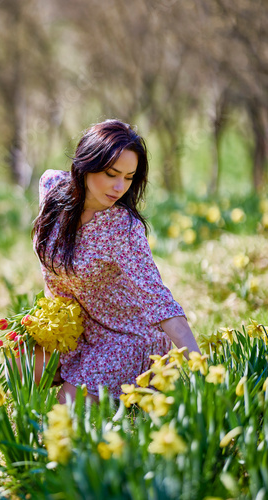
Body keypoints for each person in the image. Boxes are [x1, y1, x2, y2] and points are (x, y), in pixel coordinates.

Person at [31, 119, 200, 404]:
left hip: (125, 336)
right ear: (87, 164)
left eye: (129, 177)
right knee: (24, 372)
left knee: (63, 409)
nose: (120, 186)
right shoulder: (52, 188)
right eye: (111, 174)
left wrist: (198, 364)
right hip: (74, 326)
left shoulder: (123, 228)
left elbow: (159, 300)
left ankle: (153, 372)